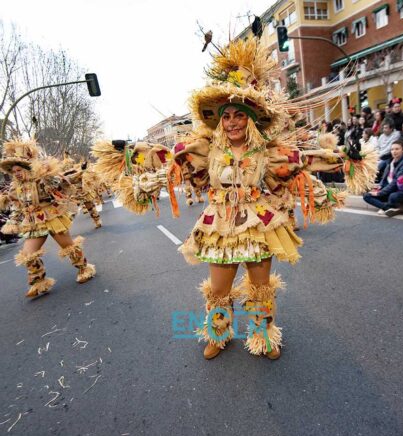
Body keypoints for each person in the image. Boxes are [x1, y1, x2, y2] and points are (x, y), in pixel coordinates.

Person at [93, 37, 375, 361]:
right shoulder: (206, 148)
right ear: (220, 121)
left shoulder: (267, 152)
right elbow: (166, 156)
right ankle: (219, 332)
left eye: (239, 116)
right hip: (219, 225)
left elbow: (304, 159)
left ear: (250, 118)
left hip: (258, 222)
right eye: (226, 117)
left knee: (260, 288)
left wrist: (345, 158)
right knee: (218, 290)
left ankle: (263, 335)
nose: (232, 123)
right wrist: (127, 153)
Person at [0, 139, 96, 298]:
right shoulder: (15, 187)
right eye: (14, 171)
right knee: (28, 255)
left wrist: (51, 175)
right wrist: (13, 222)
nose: (16, 173)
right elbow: (19, 207)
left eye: (19, 170)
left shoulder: (41, 179)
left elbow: (61, 183)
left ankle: (84, 269)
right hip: (33, 223)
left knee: (68, 246)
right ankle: (39, 283)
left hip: (52, 217)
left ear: (27, 168)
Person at [363, 140, 403, 216]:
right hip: (387, 189)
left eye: (397, 149)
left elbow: (396, 182)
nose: (394, 151)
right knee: (366, 196)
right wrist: (380, 186)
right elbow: (381, 175)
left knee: (393, 197)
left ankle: (384, 207)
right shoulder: (389, 161)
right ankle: (387, 208)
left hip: (399, 191)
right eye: (392, 149)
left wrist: (380, 193)